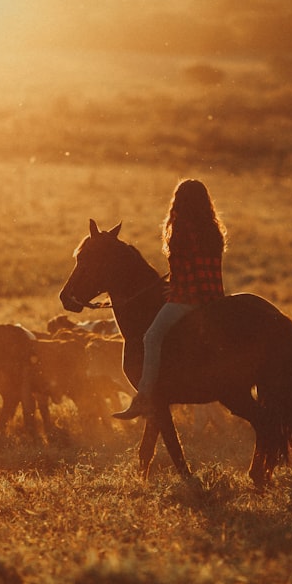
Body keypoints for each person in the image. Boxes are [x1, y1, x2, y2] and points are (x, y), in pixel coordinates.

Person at [112, 178, 226, 420]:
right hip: (214, 297)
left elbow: (187, 270)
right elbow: (205, 268)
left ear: (179, 201)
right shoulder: (213, 229)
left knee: (151, 337)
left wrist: (175, 289)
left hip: (187, 298)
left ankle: (143, 396)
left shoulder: (182, 229)